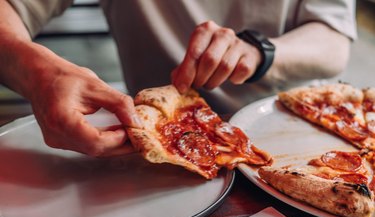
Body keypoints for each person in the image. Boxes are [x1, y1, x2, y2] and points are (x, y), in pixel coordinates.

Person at [0, 0, 356, 156]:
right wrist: (41, 74)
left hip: (301, 132)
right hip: (152, 153)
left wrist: (260, 52)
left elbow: (333, 40)